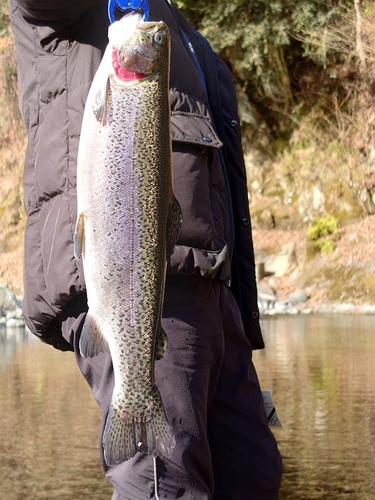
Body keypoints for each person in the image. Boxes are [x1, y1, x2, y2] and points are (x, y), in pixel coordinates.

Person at [10, 0, 283, 498]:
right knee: (167, 485)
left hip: (209, 291)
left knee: (253, 474)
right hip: (128, 278)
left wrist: (240, 307)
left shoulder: (183, 33)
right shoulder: (88, 16)